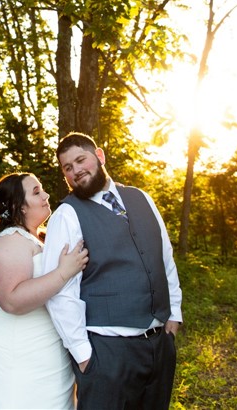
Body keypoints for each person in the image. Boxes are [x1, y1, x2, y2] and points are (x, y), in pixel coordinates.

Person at [42, 132, 183, 410]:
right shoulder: (66, 215)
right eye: (67, 168)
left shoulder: (141, 198)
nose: (76, 171)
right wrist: (84, 356)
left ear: (100, 156)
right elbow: (59, 293)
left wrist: (174, 314)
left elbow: (164, 258)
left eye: (80, 160)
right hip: (107, 353)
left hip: (159, 346)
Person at [0, 172, 90, 410]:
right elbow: (12, 300)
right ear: (19, 206)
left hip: (45, 351)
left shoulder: (35, 239)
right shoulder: (10, 241)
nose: (46, 195)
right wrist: (63, 272)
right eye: (36, 192)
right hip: (14, 355)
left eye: (42, 189)